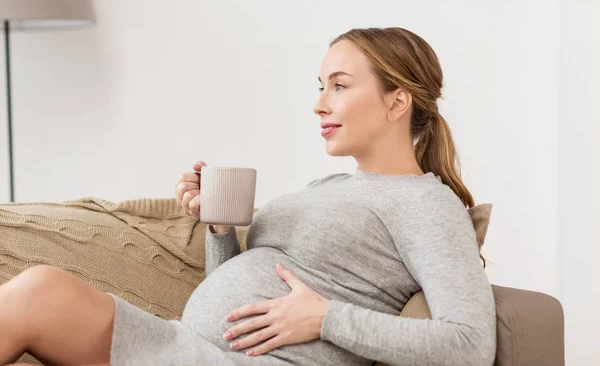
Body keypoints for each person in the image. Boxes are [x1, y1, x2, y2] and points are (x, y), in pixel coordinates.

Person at [0, 27, 496, 366]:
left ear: (398, 100)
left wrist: (325, 318)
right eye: (321, 86)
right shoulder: (328, 188)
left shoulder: (426, 204)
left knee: (40, 294)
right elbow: (235, 301)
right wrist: (217, 228)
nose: (319, 103)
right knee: (42, 289)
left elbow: (470, 343)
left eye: (339, 86)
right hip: (190, 346)